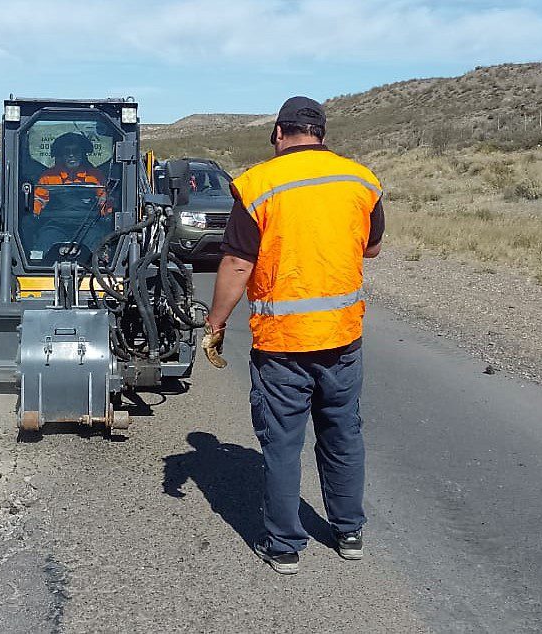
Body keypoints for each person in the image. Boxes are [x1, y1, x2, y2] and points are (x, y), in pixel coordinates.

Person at [202, 96, 384, 575]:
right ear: (321, 133)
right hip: (342, 339)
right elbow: (374, 247)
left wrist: (216, 322)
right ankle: (348, 533)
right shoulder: (361, 180)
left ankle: (284, 546)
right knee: (343, 434)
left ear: (279, 134)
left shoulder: (257, 185)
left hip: (283, 346)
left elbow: (239, 264)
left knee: (283, 443)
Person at [33, 133, 112, 217]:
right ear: (61, 155)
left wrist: (107, 214)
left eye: (75, 151)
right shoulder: (47, 177)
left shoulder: (95, 176)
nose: (71, 155)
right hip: (55, 223)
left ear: (82, 154)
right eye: (67, 152)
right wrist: (35, 214)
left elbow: (104, 202)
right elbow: (39, 201)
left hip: (89, 223)